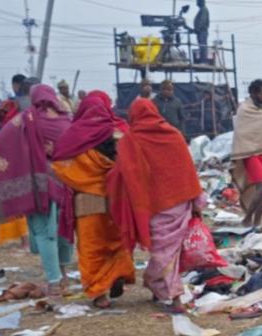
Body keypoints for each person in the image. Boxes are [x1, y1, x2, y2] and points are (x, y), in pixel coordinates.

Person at [107, 98, 206, 312]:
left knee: (163, 251)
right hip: (178, 203)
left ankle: (173, 294)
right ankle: (167, 291)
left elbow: (123, 174)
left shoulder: (130, 141)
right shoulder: (174, 135)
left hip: (150, 205)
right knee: (169, 251)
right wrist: (196, 201)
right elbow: (188, 170)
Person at [50, 91, 136, 309]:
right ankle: (117, 273)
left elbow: (59, 166)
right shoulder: (120, 130)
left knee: (91, 247)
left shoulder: (73, 135)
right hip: (117, 197)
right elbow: (133, 162)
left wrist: (83, 179)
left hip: (87, 201)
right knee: (117, 241)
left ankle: (99, 294)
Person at [0, 84, 74, 295]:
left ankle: (53, 281)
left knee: (45, 233)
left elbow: (0, 141)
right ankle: (63, 276)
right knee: (63, 229)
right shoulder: (66, 120)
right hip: (65, 181)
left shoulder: (28, 119)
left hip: (39, 184)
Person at [231, 79, 262, 227]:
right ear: (253, 93)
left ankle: (257, 223)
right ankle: (247, 218)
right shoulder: (244, 109)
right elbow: (242, 134)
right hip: (250, 154)